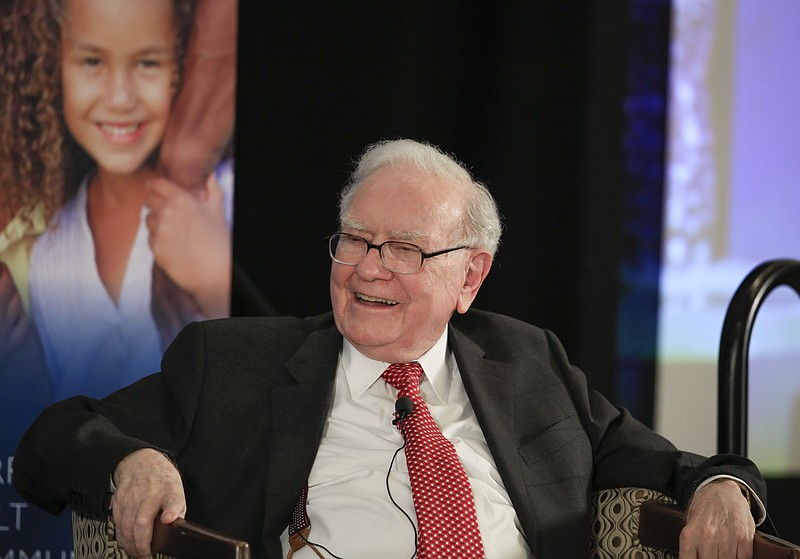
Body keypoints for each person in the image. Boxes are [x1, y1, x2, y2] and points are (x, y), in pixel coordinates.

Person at [15, 139, 765, 559]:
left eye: (404, 249)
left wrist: (722, 486)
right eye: (355, 240)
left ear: (470, 275)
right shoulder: (232, 363)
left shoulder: (527, 361)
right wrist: (128, 460)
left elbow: (661, 464)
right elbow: (50, 440)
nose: (369, 267)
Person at [4, 0, 235, 400]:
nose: (120, 98)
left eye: (148, 63)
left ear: (182, 63)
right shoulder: (46, 255)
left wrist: (217, 280)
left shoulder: (220, 200)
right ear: (53, 67)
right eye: (92, 61)